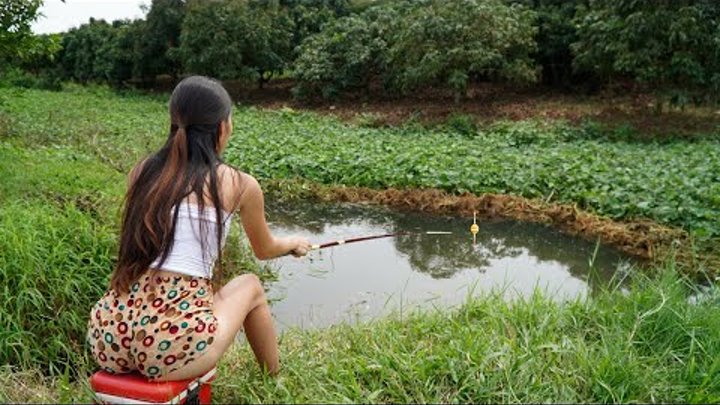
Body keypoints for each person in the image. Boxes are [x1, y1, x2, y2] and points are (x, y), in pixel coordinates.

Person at [86, 75, 311, 381]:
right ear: (222, 127)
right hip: (168, 351)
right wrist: (293, 243)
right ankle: (274, 380)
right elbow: (265, 249)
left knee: (210, 295)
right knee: (251, 286)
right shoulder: (240, 184)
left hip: (109, 337)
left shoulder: (142, 172)